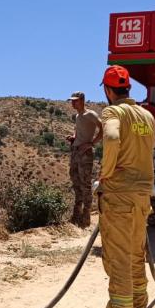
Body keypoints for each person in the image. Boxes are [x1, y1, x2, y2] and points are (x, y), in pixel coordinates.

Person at [85, 65, 155, 308]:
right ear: (128, 88)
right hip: (142, 196)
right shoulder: (147, 116)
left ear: (107, 89)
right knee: (137, 253)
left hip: (120, 195)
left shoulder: (113, 112)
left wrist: (105, 173)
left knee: (118, 257)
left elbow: (112, 137)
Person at [66, 91, 102, 227]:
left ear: (82, 100)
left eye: (75, 100)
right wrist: (74, 137)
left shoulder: (90, 114)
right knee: (75, 181)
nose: (72, 103)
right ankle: (76, 215)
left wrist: (91, 143)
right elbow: (79, 130)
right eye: (72, 100)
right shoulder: (78, 116)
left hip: (85, 153)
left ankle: (86, 218)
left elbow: (103, 128)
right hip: (75, 151)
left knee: (85, 183)